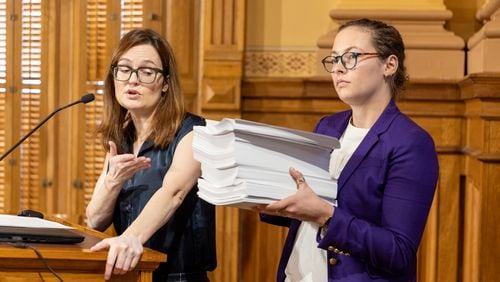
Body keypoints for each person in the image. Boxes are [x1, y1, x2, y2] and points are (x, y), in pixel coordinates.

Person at [259, 18, 439, 281]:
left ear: (389, 65)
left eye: (351, 56)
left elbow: (397, 251)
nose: (338, 69)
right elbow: (306, 211)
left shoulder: (411, 142)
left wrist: (326, 215)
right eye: (333, 59)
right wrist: (262, 198)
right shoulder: (328, 126)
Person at [86, 28, 216, 282]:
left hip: (178, 277)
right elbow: (94, 221)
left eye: (147, 72)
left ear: (165, 83)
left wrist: (129, 238)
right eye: (124, 69)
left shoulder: (194, 131)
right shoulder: (121, 137)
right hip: (131, 274)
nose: (133, 80)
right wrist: (112, 183)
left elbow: (174, 192)